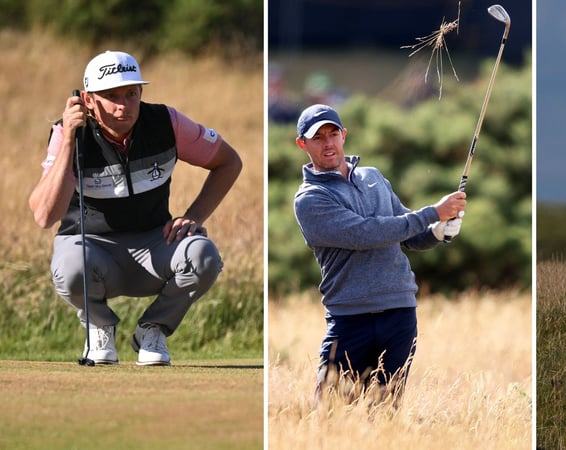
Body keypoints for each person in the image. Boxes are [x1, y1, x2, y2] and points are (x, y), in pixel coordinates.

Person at [28, 51, 242, 366]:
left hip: (155, 245)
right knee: (69, 269)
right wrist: (71, 143)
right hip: (92, 248)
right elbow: (45, 216)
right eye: (110, 96)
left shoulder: (166, 122)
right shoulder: (67, 133)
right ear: (88, 100)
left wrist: (194, 216)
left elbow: (228, 162)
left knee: (203, 255)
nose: (123, 105)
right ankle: (99, 325)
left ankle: (151, 330)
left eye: (131, 94)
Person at [292, 104, 466, 405]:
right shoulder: (310, 199)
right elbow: (367, 233)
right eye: (317, 138)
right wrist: (433, 212)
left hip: (399, 312)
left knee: (386, 409)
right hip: (349, 319)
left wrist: (437, 231)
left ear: (344, 135)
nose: (328, 143)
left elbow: (407, 234)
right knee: (330, 414)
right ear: (302, 144)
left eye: (332, 134)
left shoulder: (374, 177)